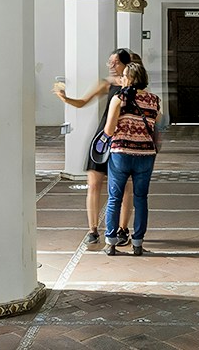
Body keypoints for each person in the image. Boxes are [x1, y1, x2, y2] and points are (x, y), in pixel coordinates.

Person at [53, 48, 135, 246]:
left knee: (124, 188)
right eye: (110, 62)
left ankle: (123, 229)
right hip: (102, 139)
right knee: (94, 184)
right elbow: (82, 102)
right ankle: (92, 230)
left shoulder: (135, 85)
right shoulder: (106, 84)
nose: (111, 66)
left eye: (115, 62)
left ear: (125, 64)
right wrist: (65, 98)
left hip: (124, 141)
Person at [103, 59, 161, 256]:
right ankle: (137, 243)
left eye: (125, 75)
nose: (122, 77)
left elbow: (109, 129)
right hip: (145, 155)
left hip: (120, 154)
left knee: (114, 198)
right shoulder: (154, 100)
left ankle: (111, 242)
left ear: (131, 79)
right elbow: (158, 122)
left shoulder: (119, 99)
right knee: (141, 198)